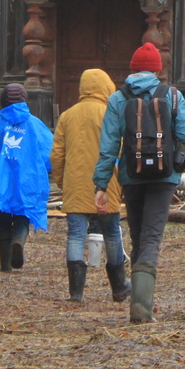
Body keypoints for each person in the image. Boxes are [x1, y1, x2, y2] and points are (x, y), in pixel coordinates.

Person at [94, 42, 185, 323]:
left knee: (139, 236)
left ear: (132, 69)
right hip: (164, 177)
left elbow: (108, 147)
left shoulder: (118, 99)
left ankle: (139, 302)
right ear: (157, 70)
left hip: (132, 176)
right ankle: (142, 306)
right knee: (152, 237)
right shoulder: (173, 96)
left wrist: (101, 186)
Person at [51, 68, 129, 303]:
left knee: (75, 235)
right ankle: (119, 287)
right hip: (107, 185)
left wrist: (64, 182)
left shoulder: (68, 115)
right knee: (112, 234)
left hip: (75, 184)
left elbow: (56, 155)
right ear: (107, 87)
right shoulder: (113, 114)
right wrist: (121, 183)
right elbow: (123, 150)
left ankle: (76, 293)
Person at [0, 82, 53, 272]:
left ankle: (5, 264)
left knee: (4, 221)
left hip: (0, 182)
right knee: (23, 217)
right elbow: (50, 151)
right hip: (28, 181)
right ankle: (19, 242)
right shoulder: (35, 124)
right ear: (24, 99)